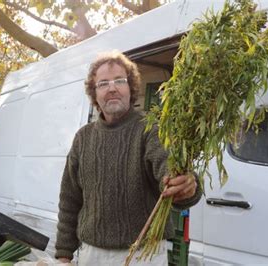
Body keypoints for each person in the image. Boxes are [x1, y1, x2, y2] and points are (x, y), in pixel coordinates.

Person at [55, 51, 203, 265]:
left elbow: (168, 168)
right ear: (94, 94)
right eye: (103, 83)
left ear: (131, 88)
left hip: (145, 255)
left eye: (119, 81)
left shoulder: (152, 129)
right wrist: (63, 255)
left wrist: (185, 185)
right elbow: (69, 200)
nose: (112, 88)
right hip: (92, 255)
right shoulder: (83, 138)